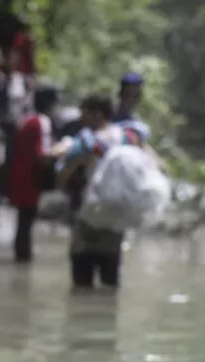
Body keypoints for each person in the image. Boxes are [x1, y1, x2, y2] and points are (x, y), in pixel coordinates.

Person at [52, 93, 144, 289]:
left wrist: (61, 188)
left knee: (82, 277)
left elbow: (65, 172)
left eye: (84, 113)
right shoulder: (128, 137)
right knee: (110, 278)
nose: (81, 118)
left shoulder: (86, 140)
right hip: (117, 215)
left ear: (97, 114)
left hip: (89, 213)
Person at [6, 84, 59, 263]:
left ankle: (21, 258)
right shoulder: (42, 122)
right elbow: (43, 154)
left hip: (18, 175)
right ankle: (23, 259)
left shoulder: (26, 119)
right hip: (31, 179)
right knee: (26, 222)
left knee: (22, 222)